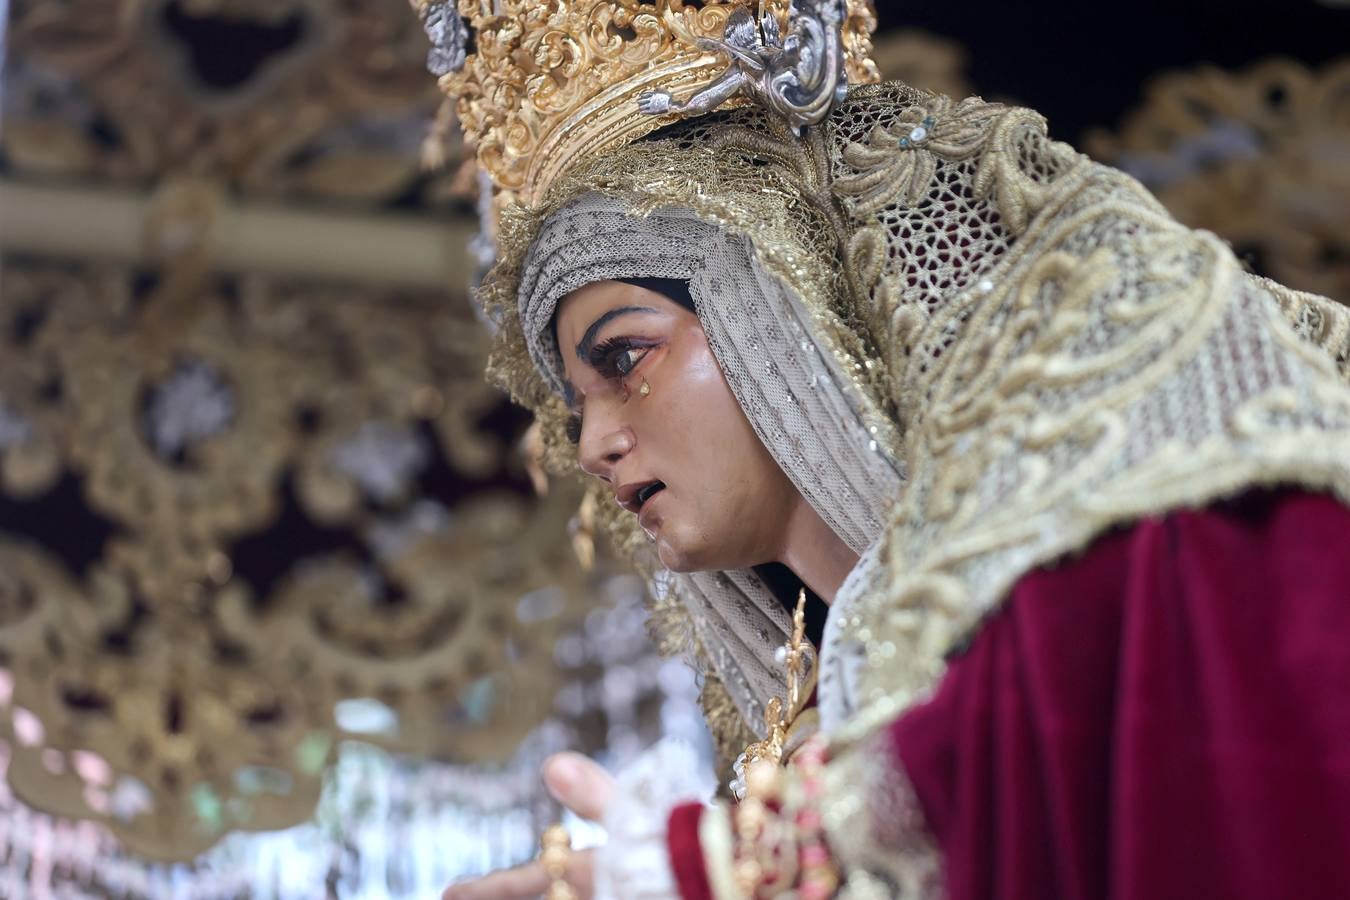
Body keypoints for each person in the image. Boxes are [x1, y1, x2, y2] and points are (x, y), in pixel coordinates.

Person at [413, 0, 1350, 897]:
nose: (599, 444)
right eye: (575, 412)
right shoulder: (824, 721)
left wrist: (757, 866)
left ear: (779, 313)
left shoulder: (1139, 564)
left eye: (624, 359)